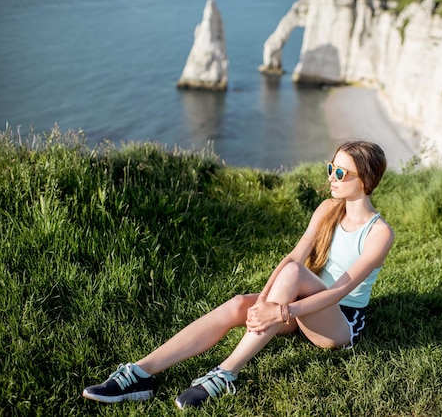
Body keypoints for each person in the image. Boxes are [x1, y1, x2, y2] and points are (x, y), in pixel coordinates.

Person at [81, 140, 395, 409]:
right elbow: (293, 258)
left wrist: (281, 310)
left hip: (337, 323)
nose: (331, 178)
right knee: (238, 303)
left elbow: (340, 292)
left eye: (341, 173)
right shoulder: (327, 208)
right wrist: (263, 303)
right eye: (331, 168)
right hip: (300, 303)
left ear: (365, 180)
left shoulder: (379, 233)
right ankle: (141, 373)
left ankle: (225, 373)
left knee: (295, 274)